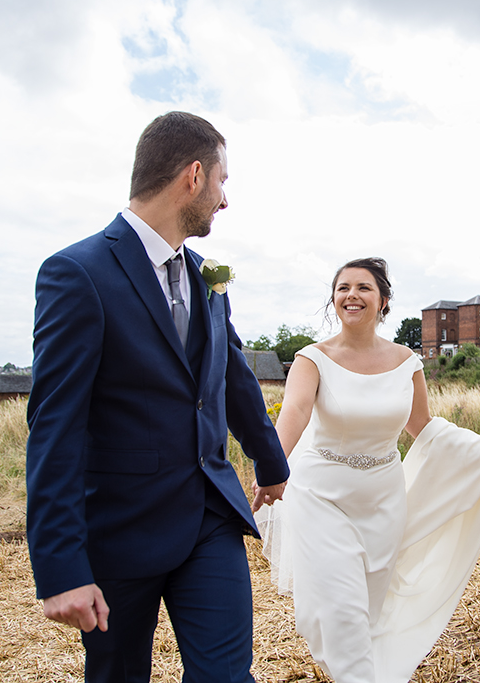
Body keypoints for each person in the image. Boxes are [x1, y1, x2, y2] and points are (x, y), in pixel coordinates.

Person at [26, 111, 290, 683]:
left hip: (210, 515)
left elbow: (232, 377)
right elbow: (55, 425)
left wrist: (272, 465)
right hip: (121, 530)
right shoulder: (79, 272)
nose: (225, 201)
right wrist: (60, 567)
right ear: (194, 176)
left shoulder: (205, 274)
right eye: (223, 182)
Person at [256, 257, 480, 683]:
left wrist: (473, 446)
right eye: (343, 288)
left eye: (363, 288)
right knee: (340, 607)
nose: (351, 295)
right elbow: (295, 411)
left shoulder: (407, 361)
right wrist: (271, 467)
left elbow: (421, 426)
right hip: (321, 497)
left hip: (383, 500)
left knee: (368, 612)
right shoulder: (311, 359)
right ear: (334, 300)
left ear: (383, 301)